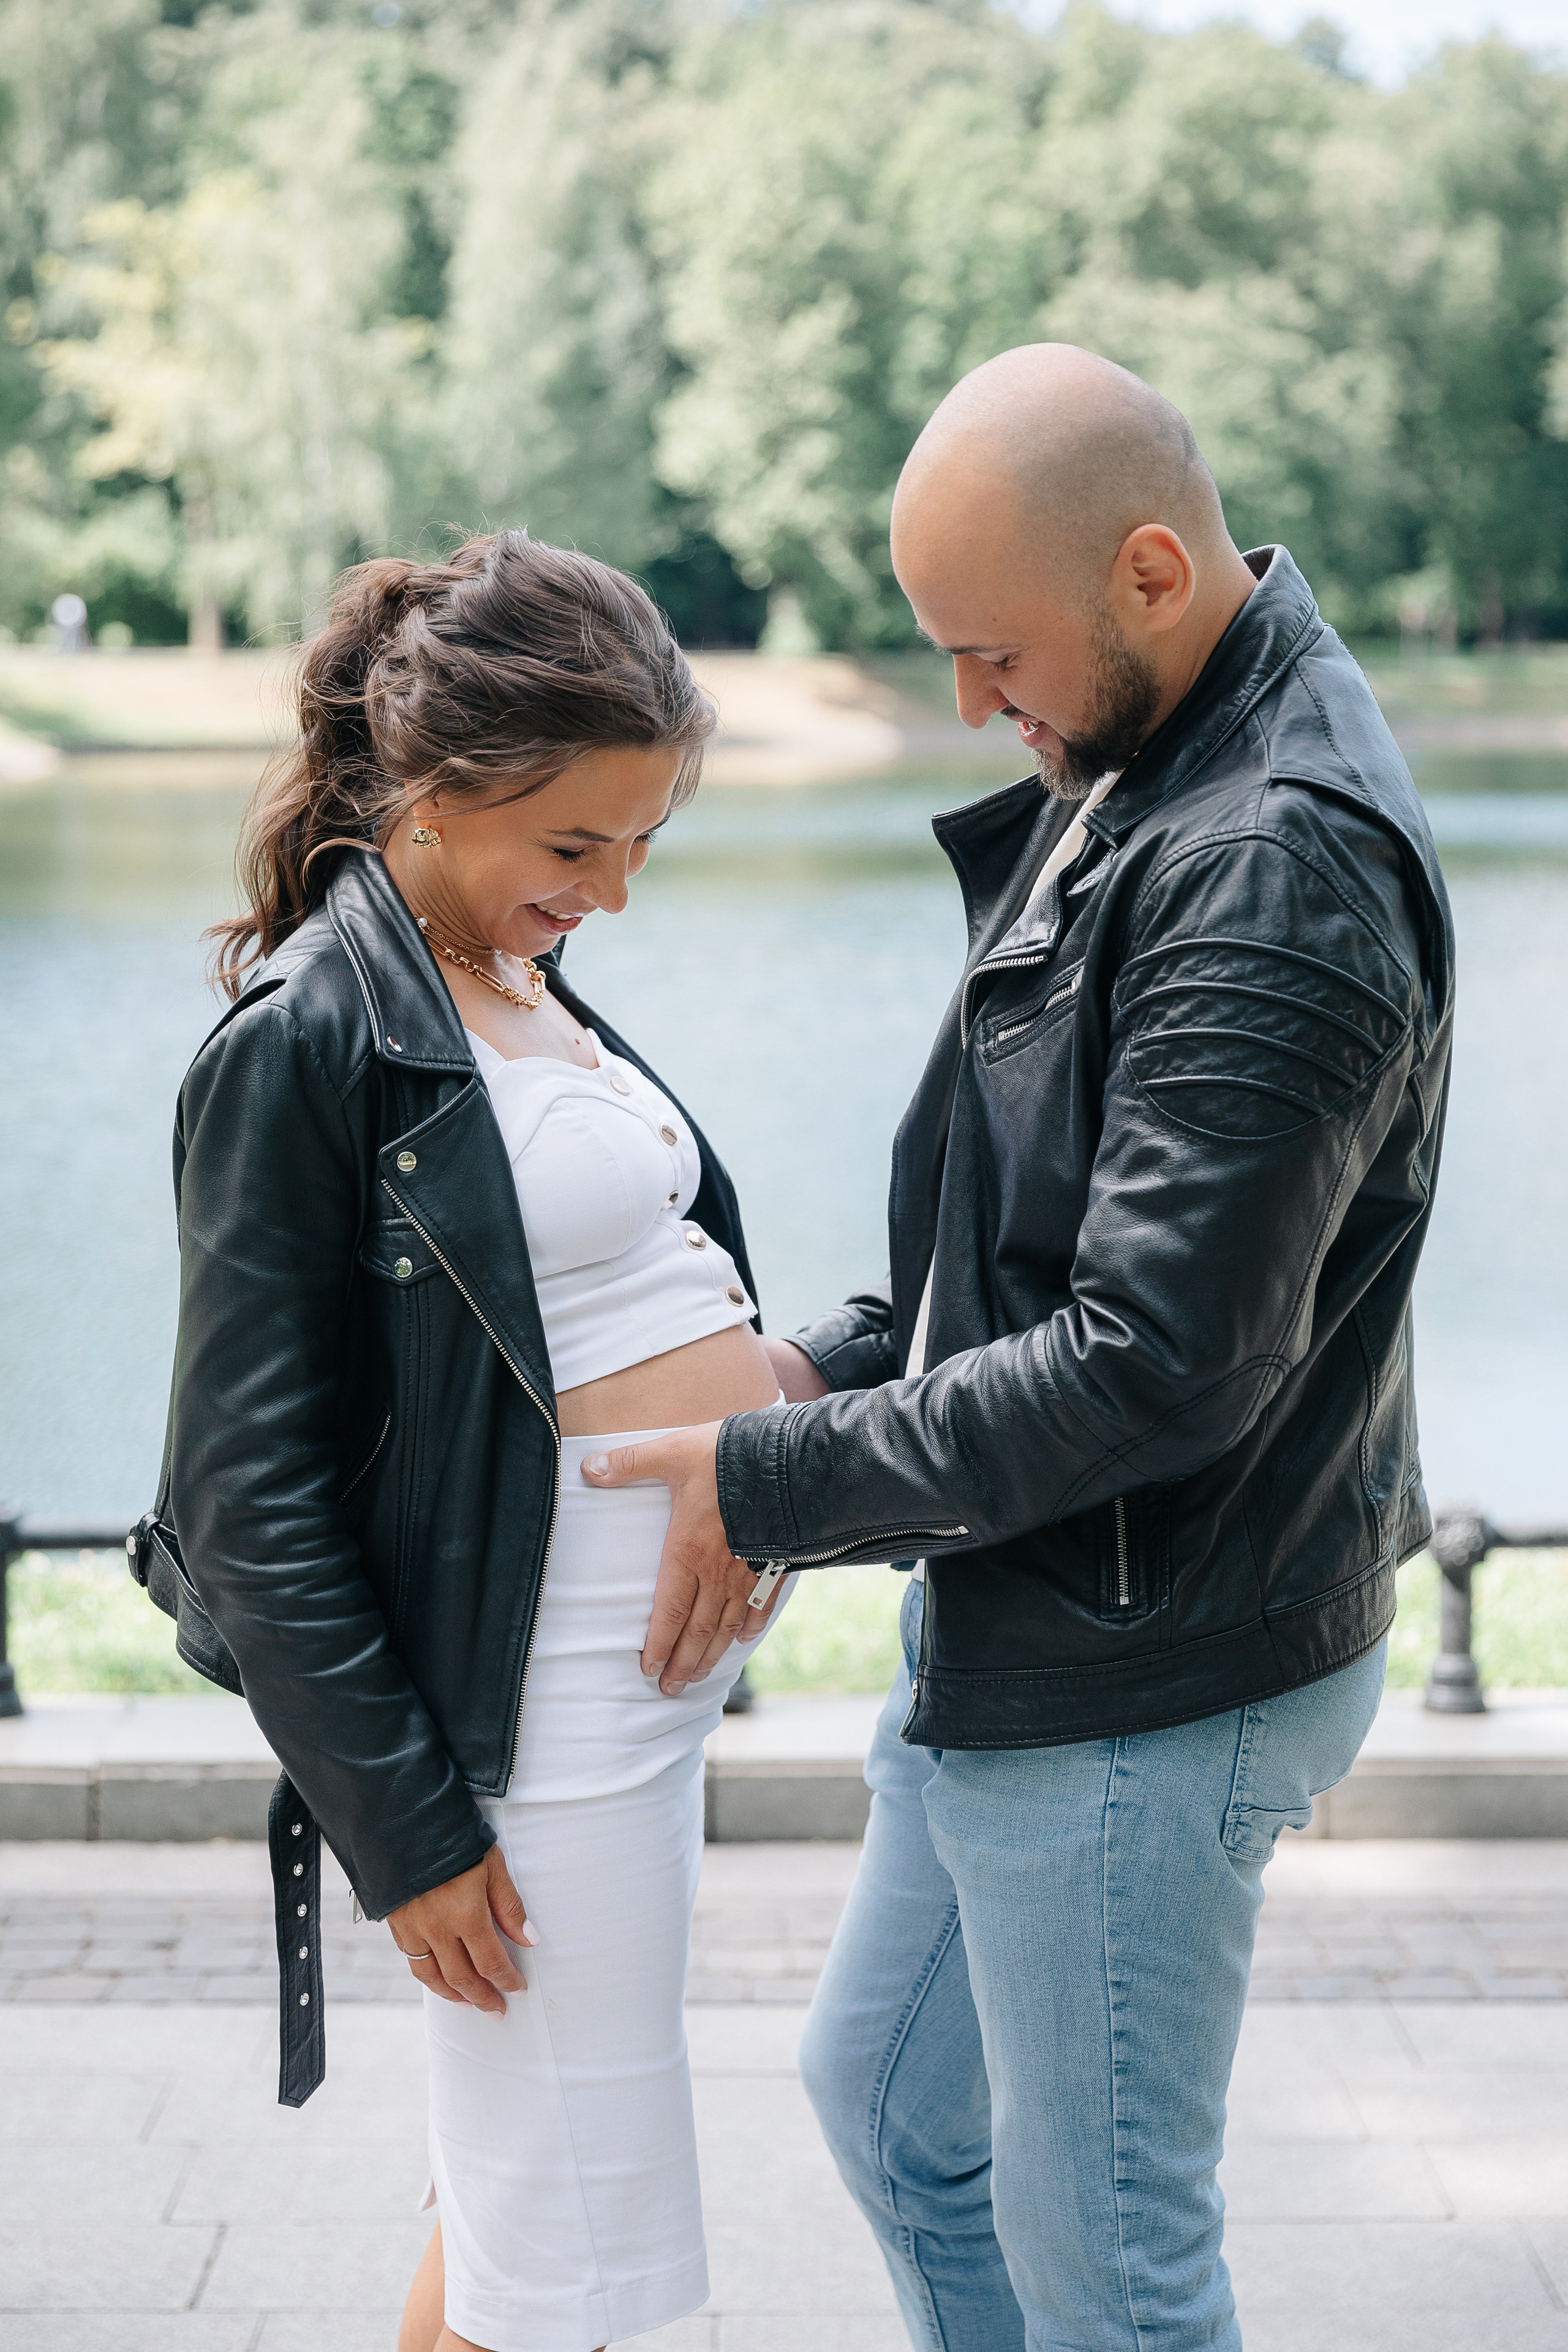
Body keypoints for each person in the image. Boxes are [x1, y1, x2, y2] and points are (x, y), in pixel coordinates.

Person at [584, 345, 1457, 2349]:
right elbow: (1040, 1228)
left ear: (1152, 569)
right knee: (895, 2121)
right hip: (1039, 1614)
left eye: (992, 655)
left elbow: (1158, 1355)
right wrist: (825, 1365)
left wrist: (771, 1481)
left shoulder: (1270, 859)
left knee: (1116, 2280)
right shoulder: (1142, 760)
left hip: (1149, 1680)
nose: (969, 706)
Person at [148, 530, 798, 2352]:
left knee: (530, 2208)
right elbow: (244, 1489)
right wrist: (409, 1832)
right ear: (429, 797)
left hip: (633, 1690)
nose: (613, 892)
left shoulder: (504, 977)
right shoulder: (309, 1038)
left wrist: (774, 1427)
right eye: (574, 846)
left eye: (643, 845)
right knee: (566, 2234)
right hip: (535, 1713)